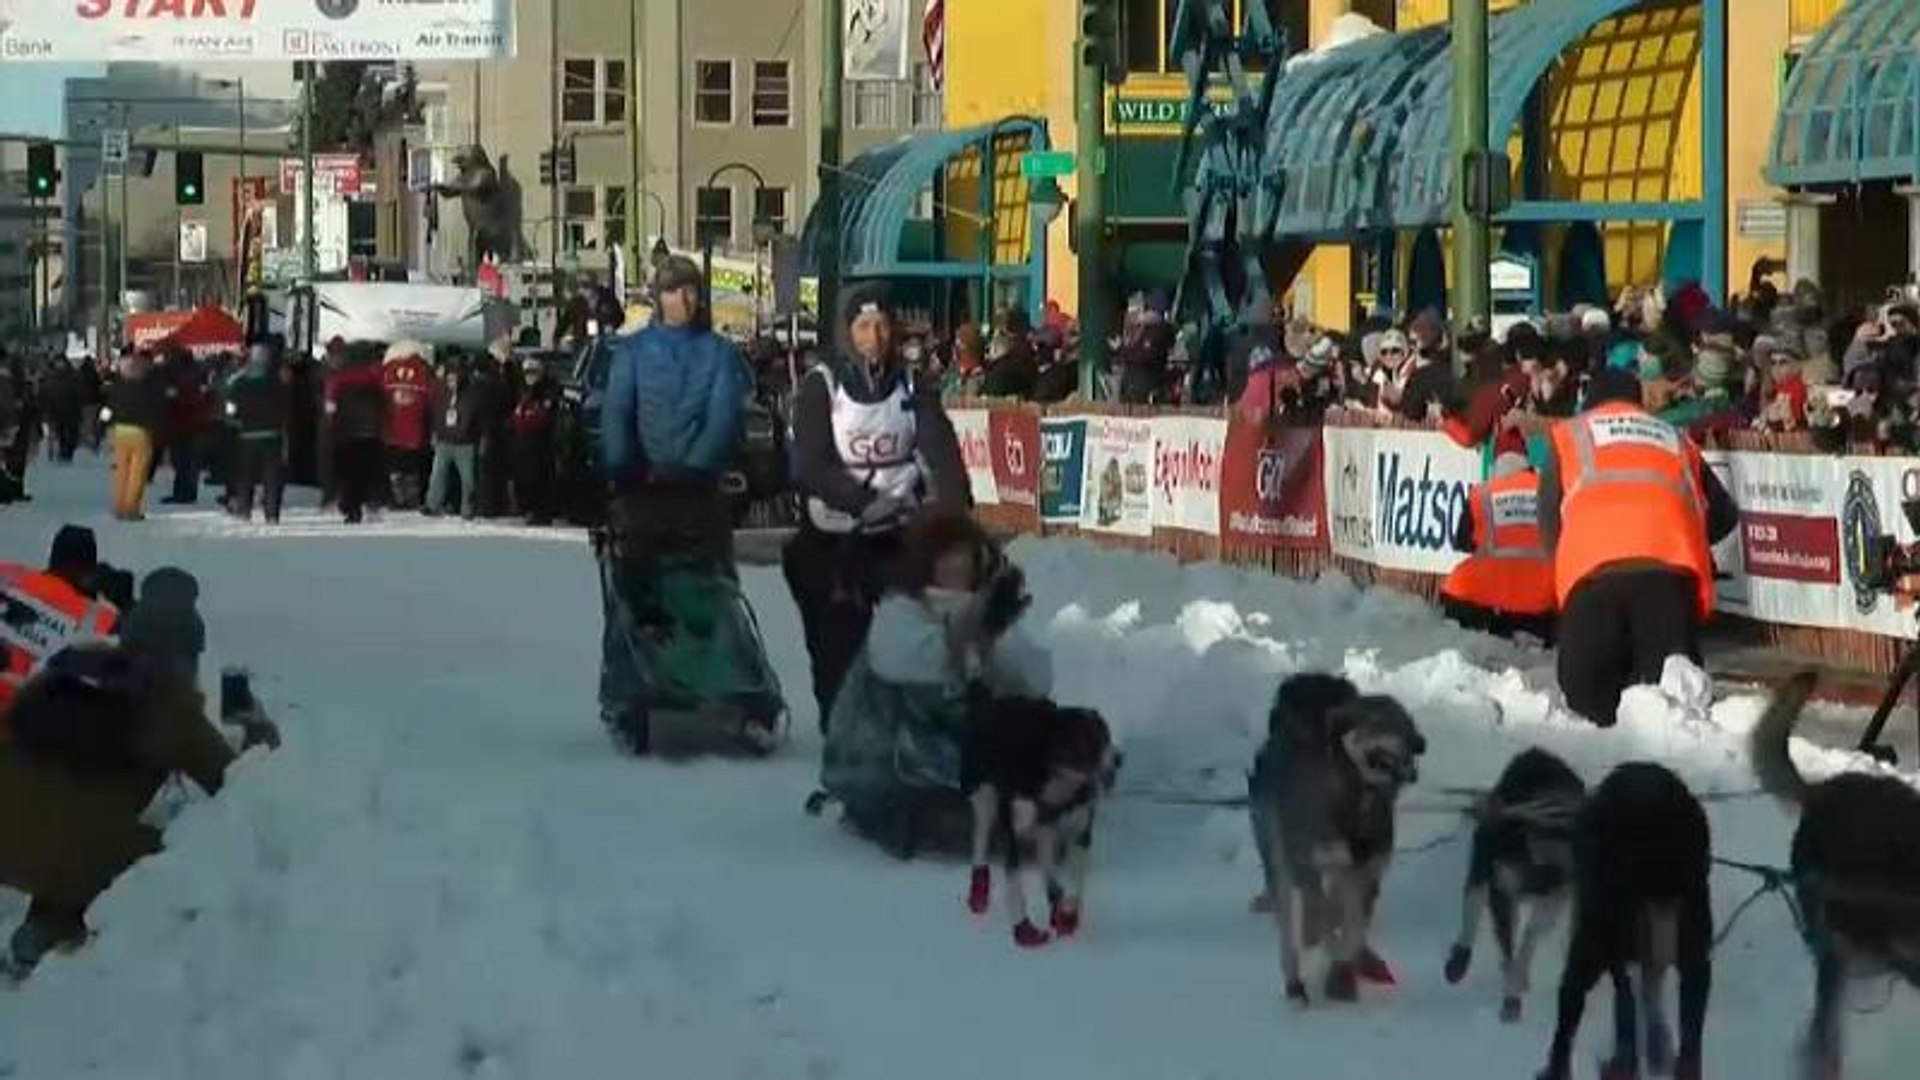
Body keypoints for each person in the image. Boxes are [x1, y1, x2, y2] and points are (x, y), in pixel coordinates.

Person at [0, 639, 279, 976]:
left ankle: (39, 932)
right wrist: (261, 741)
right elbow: (231, 780)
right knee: (173, 851)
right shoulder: (169, 705)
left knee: (78, 824)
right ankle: (64, 938)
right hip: (67, 851)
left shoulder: (60, 676)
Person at [596, 255, 784, 753]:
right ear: (658, 298)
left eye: (691, 291)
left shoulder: (718, 354)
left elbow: (724, 417)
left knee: (714, 588)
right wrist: (625, 468)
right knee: (636, 590)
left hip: (699, 493)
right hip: (641, 493)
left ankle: (738, 681)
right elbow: (618, 413)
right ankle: (630, 682)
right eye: (674, 291)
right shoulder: (632, 353)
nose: (684, 300)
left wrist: (696, 467)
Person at [782, 283, 970, 731]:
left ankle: (924, 726)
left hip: (898, 533)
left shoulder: (911, 385)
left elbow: (941, 452)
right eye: (863, 326)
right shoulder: (822, 385)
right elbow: (810, 463)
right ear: (848, 332)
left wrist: (950, 510)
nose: (875, 336)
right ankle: (842, 730)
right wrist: (861, 502)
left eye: (882, 325)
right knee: (838, 642)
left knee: (921, 631)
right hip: (833, 535)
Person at [818, 512, 1050, 859]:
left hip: (960, 764)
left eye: (966, 553)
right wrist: (970, 634)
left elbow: (1035, 678)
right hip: (889, 770)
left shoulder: (988, 611)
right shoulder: (900, 613)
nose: (959, 564)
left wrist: (991, 635)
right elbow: (912, 662)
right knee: (970, 826)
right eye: (947, 554)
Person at [1538, 368, 1738, 726]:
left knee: (1587, 705)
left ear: (1590, 402)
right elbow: (1725, 514)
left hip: (1593, 581)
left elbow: (1548, 521)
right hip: (1669, 583)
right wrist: (1685, 537)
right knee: (1673, 704)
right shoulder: (1675, 438)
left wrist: (1564, 575)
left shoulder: (1570, 435)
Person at [0, 526, 121, 721]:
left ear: (52, 556)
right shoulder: (102, 618)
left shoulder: (8, 575)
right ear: (89, 571)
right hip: (31, 722)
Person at [1440, 452, 1557, 644]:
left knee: (1456, 583)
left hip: (1489, 601)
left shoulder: (1482, 493)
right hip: (1543, 602)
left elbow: (1462, 543)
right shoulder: (1550, 491)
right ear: (1528, 470)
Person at [225, 343, 290, 524]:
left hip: (247, 434)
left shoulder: (240, 382)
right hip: (272, 434)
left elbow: (230, 408)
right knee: (272, 477)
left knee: (246, 476)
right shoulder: (276, 382)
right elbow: (285, 405)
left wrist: (235, 421)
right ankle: (272, 513)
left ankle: (244, 510)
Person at [325, 341, 388, 524]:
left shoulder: (339, 378)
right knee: (368, 472)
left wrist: (331, 426)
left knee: (348, 474)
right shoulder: (373, 377)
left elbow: (330, 405)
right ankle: (372, 503)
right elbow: (384, 404)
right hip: (370, 433)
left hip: (346, 433)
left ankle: (352, 508)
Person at [102, 351, 166, 521]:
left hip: (120, 431)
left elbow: (108, 407)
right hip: (141, 432)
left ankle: (119, 507)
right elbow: (158, 411)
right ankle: (131, 509)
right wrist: (159, 431)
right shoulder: (150, 387)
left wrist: (104, 424)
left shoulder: (118, 385)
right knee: (137, 473)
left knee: (121, 472)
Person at [381, 342, 435, 509]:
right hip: (416, 431)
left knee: (394, 467)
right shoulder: (424, 372)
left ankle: (396, 497)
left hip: (391, 430)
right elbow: (431, 401)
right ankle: (411, 498)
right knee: (412, 468)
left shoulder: (387, 371)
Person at [426, 362, 482, 519]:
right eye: (449, 380)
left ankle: (468, 508)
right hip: (444, 441)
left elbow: (473, 417)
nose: (451, 383)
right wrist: (436, 432)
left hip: (465, 443)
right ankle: (432, 504)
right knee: (437, 474)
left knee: (467, 478)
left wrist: (469, 433)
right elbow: (437, 415)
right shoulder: (442, 395)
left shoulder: (470, 396)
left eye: (454, 380)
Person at [510, 357, 560, 525]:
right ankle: (529, 509)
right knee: (524, 479)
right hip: (523, 443)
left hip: (540, 443)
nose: (530, 377)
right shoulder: (522, 391)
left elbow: (543, 417)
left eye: (533, 373)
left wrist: (525, 419)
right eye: (527, 373)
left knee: (541, 479)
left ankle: (541, 512)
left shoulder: (547, 392)